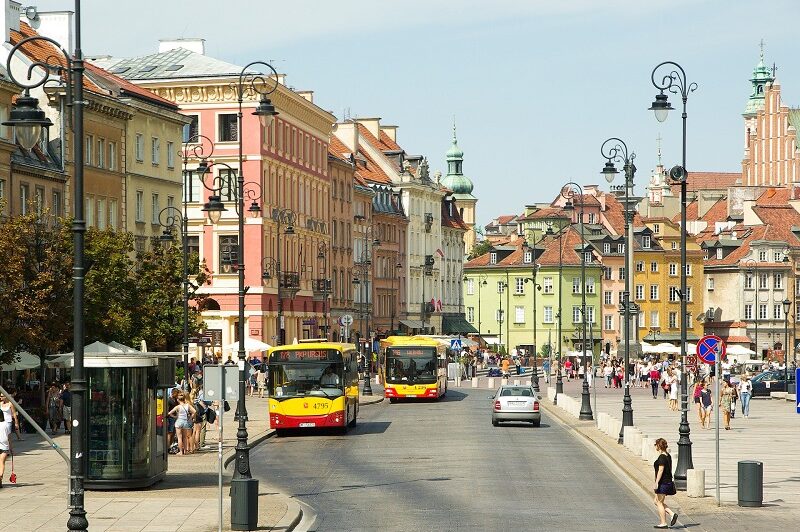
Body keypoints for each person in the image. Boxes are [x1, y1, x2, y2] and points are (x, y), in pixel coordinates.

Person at [652, 438, 679, 528]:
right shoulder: (668, 455)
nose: (655, 446)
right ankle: (672, 514)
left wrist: (656, 483)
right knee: (656, 501)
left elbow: (660, 470)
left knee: (659, 503)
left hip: (662, 483)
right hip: (667, 482)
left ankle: (663, 523)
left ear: (659, 446)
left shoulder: (662, 457)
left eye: (656, 445)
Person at [0, 416, 9, 488]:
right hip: (4, 446)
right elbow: (9, 436)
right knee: (2, 463)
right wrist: (11, 448)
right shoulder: (5, 424)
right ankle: (0, 477)